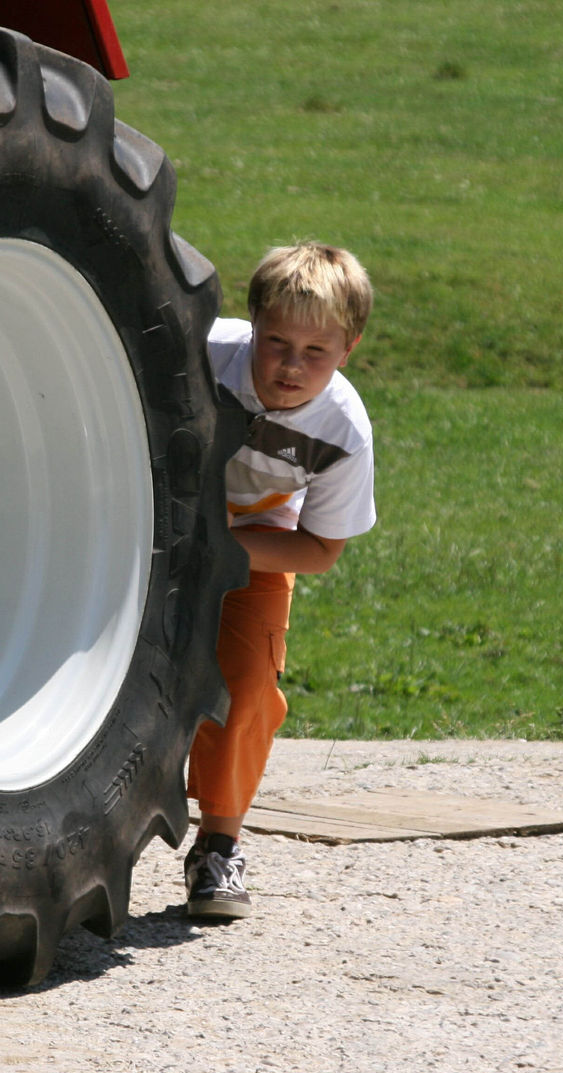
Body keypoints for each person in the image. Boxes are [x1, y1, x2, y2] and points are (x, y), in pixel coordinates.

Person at [183, 241, 377, 919]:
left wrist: (216, 546)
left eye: (315, 353)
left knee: (247, 689)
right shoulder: (201, 353)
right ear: (253, 325)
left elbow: (320, 549)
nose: (290, 367)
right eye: (275, 343)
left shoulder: (343, 431)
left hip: (252, 548)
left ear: (349, 348)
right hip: (153, 525)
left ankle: (218, 845)